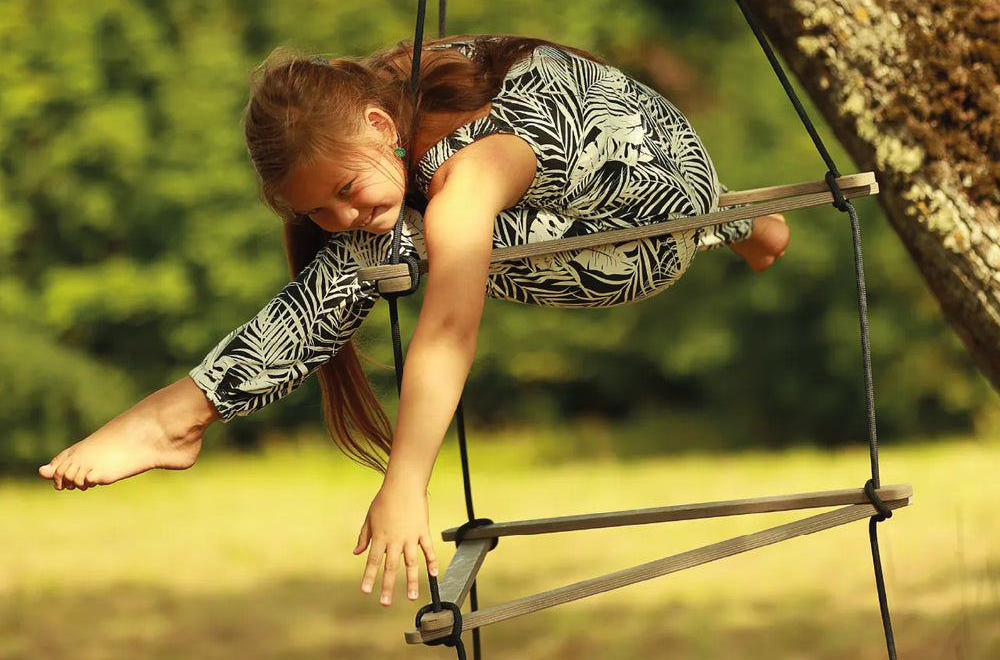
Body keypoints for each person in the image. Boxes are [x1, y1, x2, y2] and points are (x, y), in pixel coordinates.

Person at [39, 34, 789, 606]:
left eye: (344, 187)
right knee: (386, 237)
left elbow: (449, 330)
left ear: (374, 125)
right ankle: (751, 227)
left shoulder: (468, 174)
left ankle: (181, 414)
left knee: (386, 247)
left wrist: (407, 481)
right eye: (316, 211)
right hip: (670, 167)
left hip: (642, 244)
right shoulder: (397, 88)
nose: (339, 216)